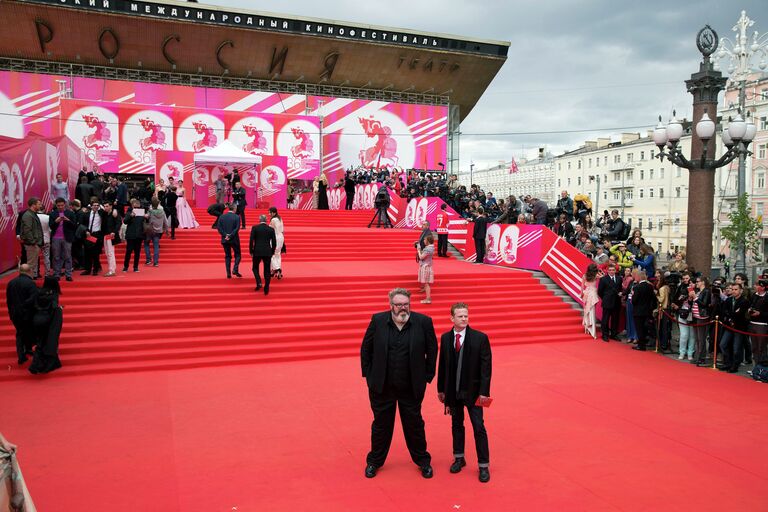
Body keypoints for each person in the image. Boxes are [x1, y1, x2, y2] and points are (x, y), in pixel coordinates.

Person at [360, 288, 438, 479]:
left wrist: (426, 377)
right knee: (381, 426)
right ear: (391, 305)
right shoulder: (378, 321)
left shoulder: (423, 322)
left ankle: (423, 461)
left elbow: (432, 351)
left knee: (415, 425)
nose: (403, 308)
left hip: (411, 387)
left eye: (406, 304)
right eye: (399, 304)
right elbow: (366, 349)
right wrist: (370, 377)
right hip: (382, 387)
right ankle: (374, 462)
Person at [436, 302, 492, 483]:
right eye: (460, 316)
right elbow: (442, 365)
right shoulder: (445, 338)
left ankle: (483, 465)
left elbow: (486, 368)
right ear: (452, 318)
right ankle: (459, 458)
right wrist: (441, 390)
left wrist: (484, 392)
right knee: (456, 425)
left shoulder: (480, 338)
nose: (464, 318)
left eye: (466, 315)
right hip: (453, 392)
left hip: (475, 392)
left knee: (478, 427)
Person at [28, 276, 63, 374]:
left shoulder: (38, 292)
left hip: (37, 320)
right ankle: (37, 366)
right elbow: (53, 307)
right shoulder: (53, 294)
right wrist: (59, 309)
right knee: (48, 342)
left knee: (40, 342)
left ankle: (45, 363)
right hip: (47, 321)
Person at [5, 264, 39, 365]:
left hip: (15, 314)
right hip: (27, 313)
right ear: (29, 271)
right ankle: (24, 352)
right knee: (26, 332)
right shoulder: (30, 284)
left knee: (20, 333)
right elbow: (33, 300)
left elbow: (9, 300)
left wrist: (11, 311)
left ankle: (24, 352)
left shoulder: (11, 283)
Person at [719, 282, 750, 373]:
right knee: (723, 344)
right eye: (732, 289)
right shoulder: (728, 300)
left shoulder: (745, 301)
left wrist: (732, 314)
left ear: (741, 290)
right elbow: (724, 312)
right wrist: (731, 315)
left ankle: (735, 365)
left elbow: (740, 315)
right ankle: (728, 363)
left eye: (736, 289)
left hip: (739, 327)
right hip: (729, 326)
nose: (734, 291)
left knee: (736, 348)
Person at [49, 197, 77, 282]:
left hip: (67, 237)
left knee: (68, 256)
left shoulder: (70, 213)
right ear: (56, 205)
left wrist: (67, 220)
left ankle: (68, 274)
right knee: (56, 256)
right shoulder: (53, 214)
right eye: (58, 206)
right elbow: (50, 226)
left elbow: (74, 226)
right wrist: (56, 221)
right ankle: (57, 274)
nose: (60, 207)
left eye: (61, 205)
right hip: (56, 238)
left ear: (65, 204)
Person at [249, 214, 277, 295]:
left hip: (257, 251)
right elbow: (274, 242)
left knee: (255, 268)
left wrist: (251, 251)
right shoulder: (271, 229)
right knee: (267, 270)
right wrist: (272, 251)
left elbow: (251, 240)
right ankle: (266, 287)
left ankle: (259, 282)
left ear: (259, 219)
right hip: (267, 251)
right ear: (266, 220)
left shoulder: (255, 228)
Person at [631, 270, 655, 351]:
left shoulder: (637, 287)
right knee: (644, 328)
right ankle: (643, 343)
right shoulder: (650, 286)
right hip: (647, 310)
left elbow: (634, 300)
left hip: (638, 311)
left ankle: (641, 345)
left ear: (638, 277)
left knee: (639, 328)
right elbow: (653, 299)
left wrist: (632, 297)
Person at [80, 198, 106, 276]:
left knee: (96, 253)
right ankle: (87, 269)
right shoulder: (87, 214)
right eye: (94, 205)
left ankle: (95, 269)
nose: (96, 207)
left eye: (97, 205)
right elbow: (82, 224)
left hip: (97, 234)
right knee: (87, 253)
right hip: (88, 234)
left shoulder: (101, 213)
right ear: (91, 206)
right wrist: (86, 231)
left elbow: (109, 211)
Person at [597, 264, 621, 342]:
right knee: (605, 319)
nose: (611, 271)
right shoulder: (603, 279)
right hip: (607, 302)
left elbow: (620, 289)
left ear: (615, 271)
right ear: (607, 271)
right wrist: (605, 298)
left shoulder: (619, 278)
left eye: (613, 270)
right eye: (610, 270)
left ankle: (614, 334)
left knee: (615, 319)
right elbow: (600, 291)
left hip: (616, 302)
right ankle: (605, 335)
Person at [691, 276, 712, 365]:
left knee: (701, 338)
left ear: (703, 282)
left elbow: (704, 304)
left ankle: (701, 357)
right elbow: (695, 303)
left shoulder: (706, 291)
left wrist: (695, 297)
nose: (696, 283)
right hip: (696, 316)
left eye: (698, 281)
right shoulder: (699, 291)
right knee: (697, 338)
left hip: (702, 317)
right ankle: (698, 356)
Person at [217, 203, 242, 279]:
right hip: (234, 239)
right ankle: (235, 268)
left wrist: (225, 235)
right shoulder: (237, 217)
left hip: (225, 239)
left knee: (227, 256)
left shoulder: (222, 216)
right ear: (234, 208)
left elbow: (219, 228)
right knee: (238, 254)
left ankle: (228, 273)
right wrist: (230, 235)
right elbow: (237, 228)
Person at [144, 197, 168, 267]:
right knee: (156, 246)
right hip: (158, 231)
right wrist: (166, 230)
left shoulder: (150, 211)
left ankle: (148, 260)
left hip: (150, 230)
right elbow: (165, 222)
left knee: (146, 244)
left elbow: (146, 217)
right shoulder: (162, 212)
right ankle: (156, 262)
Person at [122, 199, 145, 273]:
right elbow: (125, 221)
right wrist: (131, 216)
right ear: (132, 206)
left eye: (138, 207)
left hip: (139, 235)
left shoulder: (142, 213)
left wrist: (147, 217)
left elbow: (145, 223)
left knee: (137, 252)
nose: (137, 209)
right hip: (131, 235)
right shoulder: (129, 212)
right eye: (135, 207)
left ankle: (135, 267)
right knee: (128, 251)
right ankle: (126, 266)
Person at [100, 202, 120, 277]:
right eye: (104, 206)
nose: (105, 208)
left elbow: (118, 223)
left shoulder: (115, 213)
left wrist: (114, 232)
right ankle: (111, 269)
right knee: (107, 253)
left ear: (111, 206)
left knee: (111, 253)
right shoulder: (104, 213)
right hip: (105, 235)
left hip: (111, 235)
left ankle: (112, 270)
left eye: (107, 206)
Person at [581, 263, 601, 339]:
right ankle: (592, 329)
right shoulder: (596, 276)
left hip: (586, 293)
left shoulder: (585, 275)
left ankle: (587, 327)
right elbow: (603, 276)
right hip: (593, 293)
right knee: (592, 311)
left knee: (587, 310)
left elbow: (582, 286)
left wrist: (581, 294)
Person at [417, 234, 435, 304]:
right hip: (427, 265)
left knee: (426, 283)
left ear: (428, 241)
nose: (424, 241)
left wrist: (418, 251)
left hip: (425, 267)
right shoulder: (430, 247)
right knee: (426, 283)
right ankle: (426, 293)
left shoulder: (428, 249)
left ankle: (428, 299)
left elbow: (421, 257)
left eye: (425, 240)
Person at [269, 207, 284, 280]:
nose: (269, 214)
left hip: (275, 237)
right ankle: (274, 270)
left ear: (273, 212)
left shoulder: (273, 220)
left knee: (271, 254)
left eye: (270, 212)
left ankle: (277, 269)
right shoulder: (280, 218)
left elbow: (270, 229)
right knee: (278, 254)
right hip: (281, 237)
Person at [37, 204, 52, 277]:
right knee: (47, 257)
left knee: (36, 257)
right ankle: (47, 273)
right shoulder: (48, 217)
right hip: (46, 239)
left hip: (36, 240)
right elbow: (50, 230)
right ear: (44, 209)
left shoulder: (35, 217)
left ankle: (35, 273)